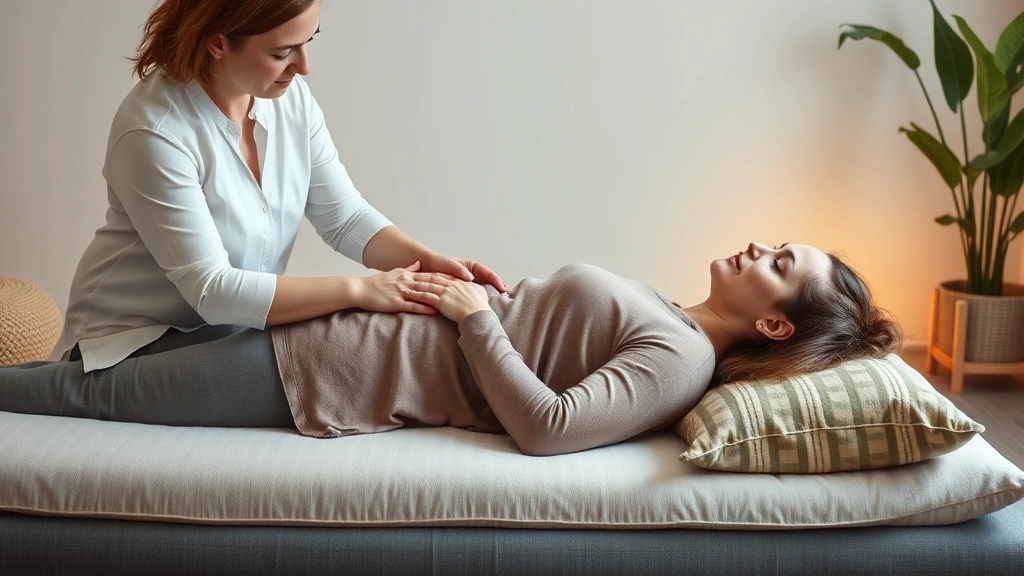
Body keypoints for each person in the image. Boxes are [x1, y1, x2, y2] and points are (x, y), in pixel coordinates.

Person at [1, 243, 901, 456]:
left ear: (774, 325)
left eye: (780, 265)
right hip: (345, 322)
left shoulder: (681, 360)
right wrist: (474, 293)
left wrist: (476, 317)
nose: (760, 247)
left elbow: (548, 428)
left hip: (330, 372)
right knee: (98, 367)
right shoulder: (668, 312)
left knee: (92, 394)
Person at [53, 0, 505, 373]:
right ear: (217, 44)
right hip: (125, 345)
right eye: (283, 52)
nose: (304, 66)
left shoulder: (288, 99)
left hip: (222, 334)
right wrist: (362, 291)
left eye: (309, 42)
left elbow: (343, 217)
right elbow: (212, 290)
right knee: (344, 346)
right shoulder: (155, 132)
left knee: (368, 338)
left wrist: (426, 263)